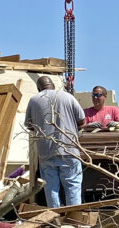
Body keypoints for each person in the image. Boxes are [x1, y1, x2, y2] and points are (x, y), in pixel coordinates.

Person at [25, 76, 85, 208]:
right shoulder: (67, 97)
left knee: (51, 188)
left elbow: (29, 125)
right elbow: (81, 120)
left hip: (46, 151)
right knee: (72, 186)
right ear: (53, 85)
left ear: (39, 88)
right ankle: (74, 219)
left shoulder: (34, 100)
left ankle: (54, 220)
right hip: (69, 150)